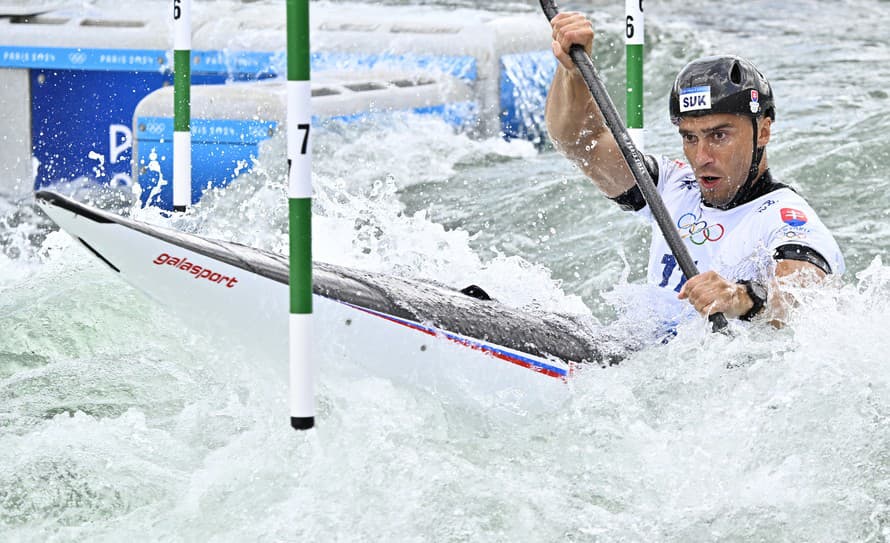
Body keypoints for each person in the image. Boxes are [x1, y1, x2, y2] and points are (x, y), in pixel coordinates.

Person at [544, 12, 844, 325]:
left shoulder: (786, 217)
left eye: (719, 135)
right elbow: (579, 142)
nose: (701, 156)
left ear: (763, 132)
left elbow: (807, 294)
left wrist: (739, 297)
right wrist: (571, 72)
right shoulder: (669, 185)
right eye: (689, 137)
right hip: (643, 357)